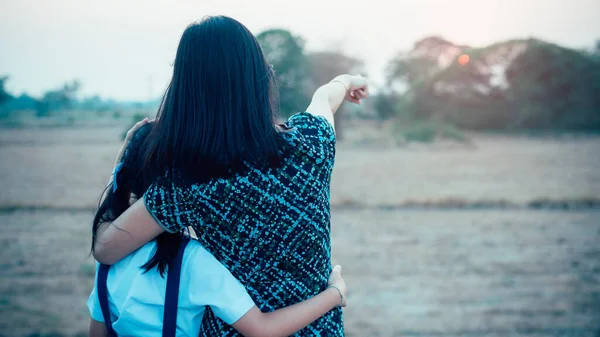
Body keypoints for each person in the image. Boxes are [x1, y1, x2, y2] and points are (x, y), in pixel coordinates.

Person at [93, 15, 369, 336]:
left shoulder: (188, 182)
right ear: (260, 75)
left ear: (186, 89)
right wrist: (348, 80)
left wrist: (124, 160)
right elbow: (325, 99)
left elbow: (106, 248)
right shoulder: (313, 141)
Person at [88, 122, 348, 337]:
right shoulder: (193, 261)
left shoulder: (109, 265)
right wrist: (335, 293)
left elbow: (97, 332)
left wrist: (121, 160)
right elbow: (261, 330)